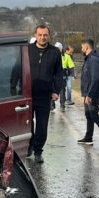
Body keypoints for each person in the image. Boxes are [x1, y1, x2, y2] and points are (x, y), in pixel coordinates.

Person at [27, 25, 63, 163]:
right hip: (28, 94)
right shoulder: (28, 50)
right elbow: (19, 69)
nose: (42, 37)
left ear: (49, 36)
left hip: (45, 95)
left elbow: (59, 74)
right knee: (27, 123)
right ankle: (28, 146)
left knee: (42, 125)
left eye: (45, 35)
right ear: (35, 35)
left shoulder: (55, 52)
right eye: (40, 34)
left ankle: (38, 151)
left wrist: (56, 90)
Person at [77, 39, 99, 150]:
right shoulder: (90, 59)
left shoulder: (93, 60)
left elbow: (95, 78)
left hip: (92, 94)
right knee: (89, 115)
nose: (81, 49)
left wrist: (90, 95)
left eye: (82, 47)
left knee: (94, 115)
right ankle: (88, 138)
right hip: (88, 93)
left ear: (86, 47)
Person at [51, 42, 64, 111]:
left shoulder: (65, 56)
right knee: (52, 89)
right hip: (53, 76)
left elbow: (71, 66)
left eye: (59, 48)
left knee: (61, 91)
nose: (58, 50)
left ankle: (62, 105)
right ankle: (52, 105)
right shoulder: (52, 55)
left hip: (61, 75)